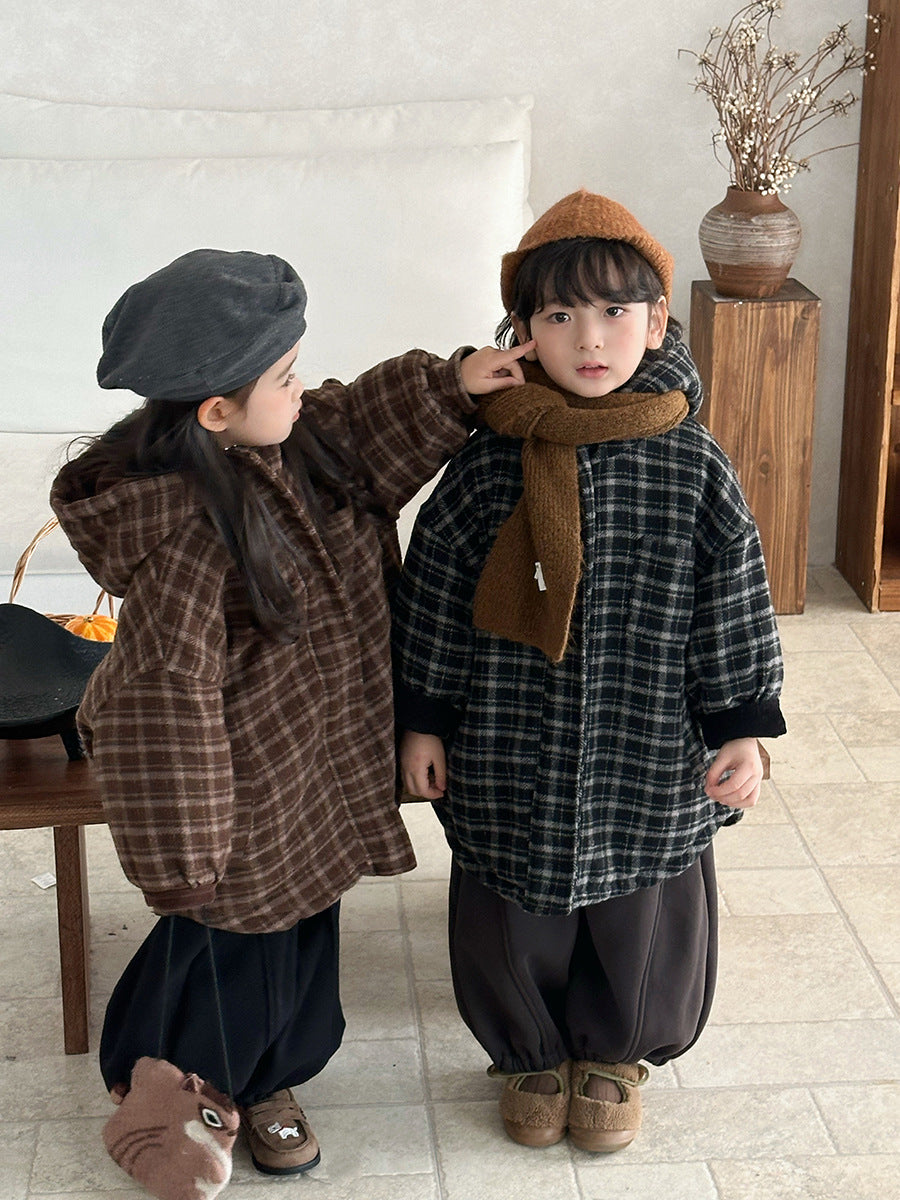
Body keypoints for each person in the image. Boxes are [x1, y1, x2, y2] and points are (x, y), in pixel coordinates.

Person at [50, 248, 533, 1177]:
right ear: (215, 412)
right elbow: (163, 701)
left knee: (294, 936)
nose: (302, 388)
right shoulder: (190, 539)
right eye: (285, 376)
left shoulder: (289, 442)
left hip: (310, 763)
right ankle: (202, 1097)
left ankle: (192, 1065)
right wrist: (186, 851)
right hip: (238, 794)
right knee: (247, 957)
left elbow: (357, 421)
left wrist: (453, 383)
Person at [391, 190, 787, 1153]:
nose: (590, 337)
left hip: (645, 737)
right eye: (560, 314)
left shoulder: (691, 462)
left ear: (655, 322)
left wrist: (741, 726)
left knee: (640, 903)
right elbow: (434, 596)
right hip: (509, 732)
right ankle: (525, 1048)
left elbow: (733, 597)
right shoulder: (488, 463)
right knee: (508, 892)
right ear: (524, 332)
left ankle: (617, 1051)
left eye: (614, 310)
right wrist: (424, 718)